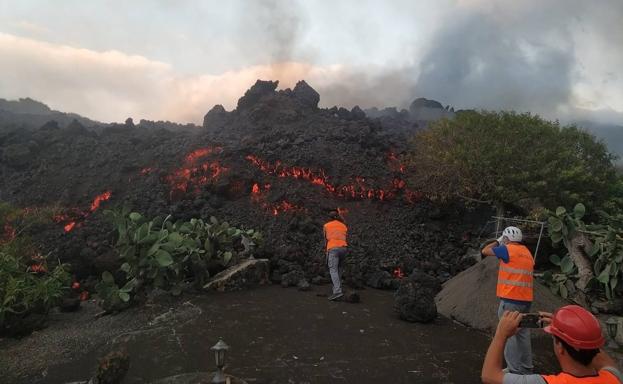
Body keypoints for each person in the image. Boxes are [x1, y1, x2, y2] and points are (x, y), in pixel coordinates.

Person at [482, 305, 622, 384]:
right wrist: (567, 327)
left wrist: (501, 333)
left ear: (560, 347)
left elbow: (489, 375)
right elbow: (601, 357)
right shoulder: (614, 378)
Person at [482, 226, 535, 374]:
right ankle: (526, 367)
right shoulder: (527, 252)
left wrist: (498, 241)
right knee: (523, 333)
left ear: (506, 239)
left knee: (508, 333)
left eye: (504, 238)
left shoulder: (507, 249)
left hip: (511, 299)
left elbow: (485, 251)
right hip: (526, 300)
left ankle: (513, 370)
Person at [323, 210, 348, 301]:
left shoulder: (326, 225)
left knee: (333, 270)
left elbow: (325, 240)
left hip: (333, 249)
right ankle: (337, 289)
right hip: (344, 248)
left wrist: (326, 251)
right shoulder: (343, 226)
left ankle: (337, 291)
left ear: (329, 218)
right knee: (339, 269)